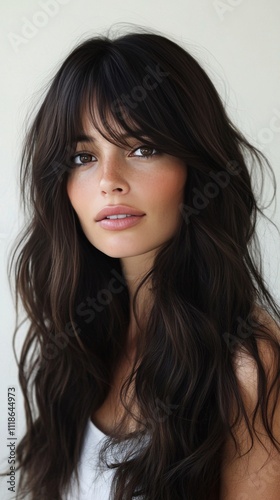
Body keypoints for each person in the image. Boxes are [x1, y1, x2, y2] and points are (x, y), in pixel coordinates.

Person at [8, 26, 280, 499]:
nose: (109, 180)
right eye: (82, 155)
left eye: (142, 148)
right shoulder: (76, 338)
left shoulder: (248, 370)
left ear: (196, 169)